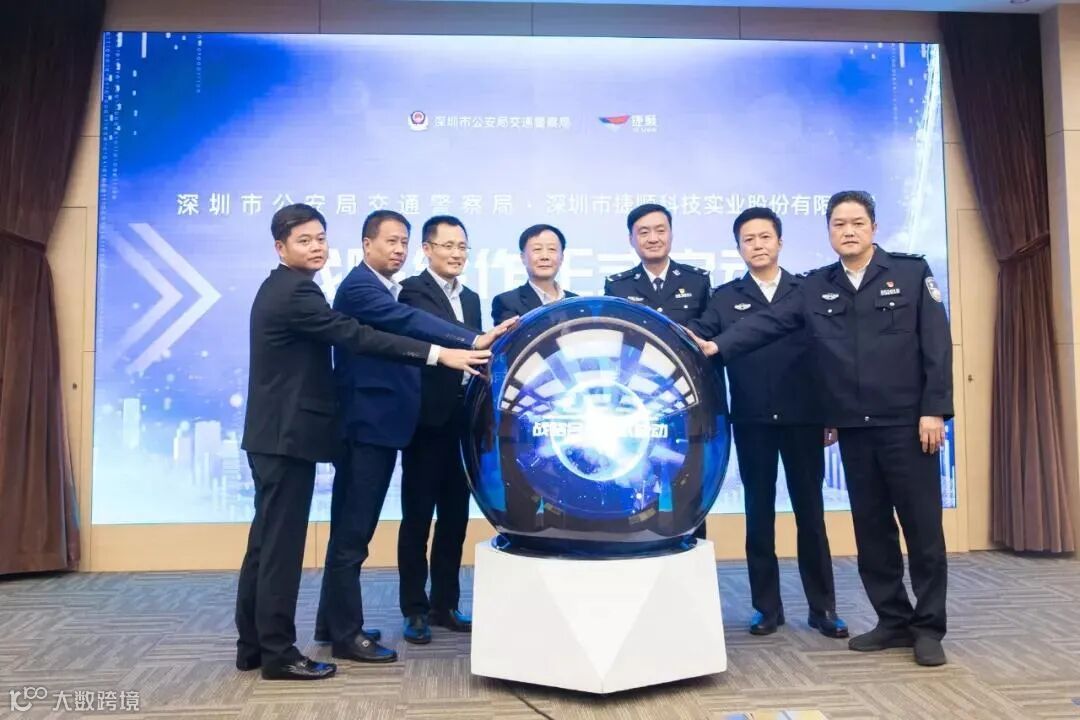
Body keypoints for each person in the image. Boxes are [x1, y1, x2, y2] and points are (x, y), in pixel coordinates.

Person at [689, 191, 952, 666]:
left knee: (922, 530)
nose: (848, 231)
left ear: (873, 227)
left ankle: (928, 627)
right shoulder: (817, 286)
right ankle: (893, 620)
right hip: (853, 427)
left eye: (856, 223)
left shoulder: (910, 273)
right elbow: (770, 323)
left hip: (907, 424)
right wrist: (717, 347)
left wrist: (934, 410)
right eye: (838, 225)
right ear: (828, 232)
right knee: (871, 530)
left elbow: (937, 344)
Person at [237, 203, 490, 681]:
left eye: (319, 238)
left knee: (270, 543)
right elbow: (364, 336)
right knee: (298, 547)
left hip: (285, 434)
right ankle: (287, 649)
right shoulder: (320, 290)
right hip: (306, 434)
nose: (316, 247)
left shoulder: (295, 287)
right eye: (304, 240)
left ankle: (261, 643)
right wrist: (448, 352)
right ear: (280, 248)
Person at [316, 209, 516, 665]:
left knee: (358, 530)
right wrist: (469, 341)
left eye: (402, 242)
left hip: (408, 424)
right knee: (356, 533)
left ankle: (334, 623)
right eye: (391, 241)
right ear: (367, 244)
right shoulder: (367, 288)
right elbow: (405, 322)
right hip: (374, 424)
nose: (398, 249)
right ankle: (353, 630)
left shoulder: (389, 288)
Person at [687, 206, 846, 639]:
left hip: (804, 417)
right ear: (738, 248)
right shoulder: (725, 297)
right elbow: (698, 337)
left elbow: (829, 354)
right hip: (752, 418)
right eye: (748, 240)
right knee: (758, 515)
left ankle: (823, 608)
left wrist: (831, 413)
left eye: (764, 237)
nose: (757, 245)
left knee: (810, 514)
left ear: (780, 242)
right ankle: (766, 608)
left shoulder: (808, 289)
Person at [396, 216, 482, 644]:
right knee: (417, 517)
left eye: (462, 246)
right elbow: (447, 338)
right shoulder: (413, 291)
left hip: (463, 422)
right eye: (447, 246)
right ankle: (414, 608)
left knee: (455, 517)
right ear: (427, 250)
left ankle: (445, 603)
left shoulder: (473, 298)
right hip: (426, 421)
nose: (455, 254)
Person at [606, 203, 712, 539]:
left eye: (660, 230)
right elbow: (616, 343)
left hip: (686, 403)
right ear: (631, 239)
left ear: (671, 234)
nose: (653, 238)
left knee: (689, 483)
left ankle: (690, 548)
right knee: (635, 484)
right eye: (644, 232)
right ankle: (638, 550)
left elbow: (706, 334)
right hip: (637, 403)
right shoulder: (618, 286)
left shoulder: (697, 280)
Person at [491, 224, 577, 324]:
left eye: (552, 249)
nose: (545, 256)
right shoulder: (507, 302)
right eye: (537, 249)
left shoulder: (576, 302)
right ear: (523, 257)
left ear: (562, 257)